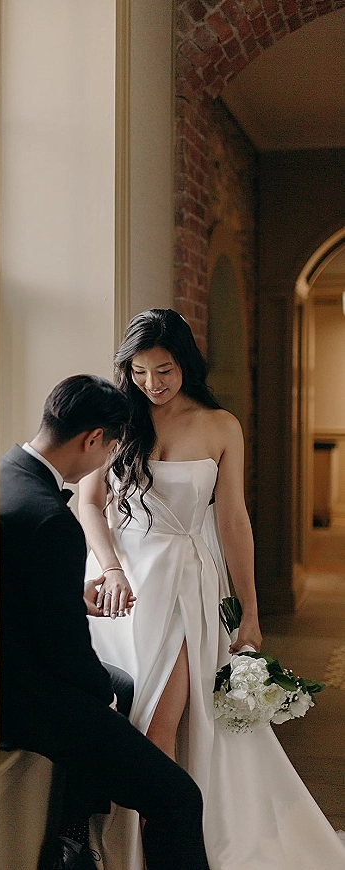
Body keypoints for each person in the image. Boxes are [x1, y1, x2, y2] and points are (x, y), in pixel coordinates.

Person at [78, 309, 345, 870]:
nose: (152, 384)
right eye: (141, 371)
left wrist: (248, 608)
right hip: (120, 587)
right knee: (123, 716)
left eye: (165, 370)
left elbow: (233, 522)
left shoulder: (221, 426)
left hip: (186, 588)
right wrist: (109, 568)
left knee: (159, 721)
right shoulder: (117, 416)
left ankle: (156, 852)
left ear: (186, 364)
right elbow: (89, 501)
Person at [0, 374, 210, 870]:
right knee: (180, 798)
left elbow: (13, 588)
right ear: (93, 439)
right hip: (28, 698)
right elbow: (68, 656)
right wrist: (103, 696)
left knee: (126, 684)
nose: (111, 461)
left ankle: (74, 832)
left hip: (4, 667)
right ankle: (75, 841)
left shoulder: (7, 474)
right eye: (113, 447)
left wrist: (73, 596)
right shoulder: (53, 519)